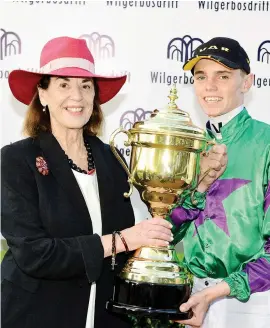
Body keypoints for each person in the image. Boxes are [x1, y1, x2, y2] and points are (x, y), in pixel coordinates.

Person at [0, 36, 176, 328]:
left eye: (85, 86)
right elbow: (34, 254)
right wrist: (121, 240)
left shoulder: (113, 159)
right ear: (42, 94)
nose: (77, 96)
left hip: (106, 317)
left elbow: (144, 234)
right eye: (64, 84)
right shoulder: (16, 160)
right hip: (37, 315)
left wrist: (199, 185)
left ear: (95, 95)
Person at [168, 37, 270, 328]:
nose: (209, 86)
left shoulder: (267, 143)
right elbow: (169, 232)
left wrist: (220, 290)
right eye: (201, 76)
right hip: (192, 299)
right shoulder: (187, 145)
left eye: (222, 76)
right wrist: (198, 188)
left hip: (254, 304)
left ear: (247, 82)